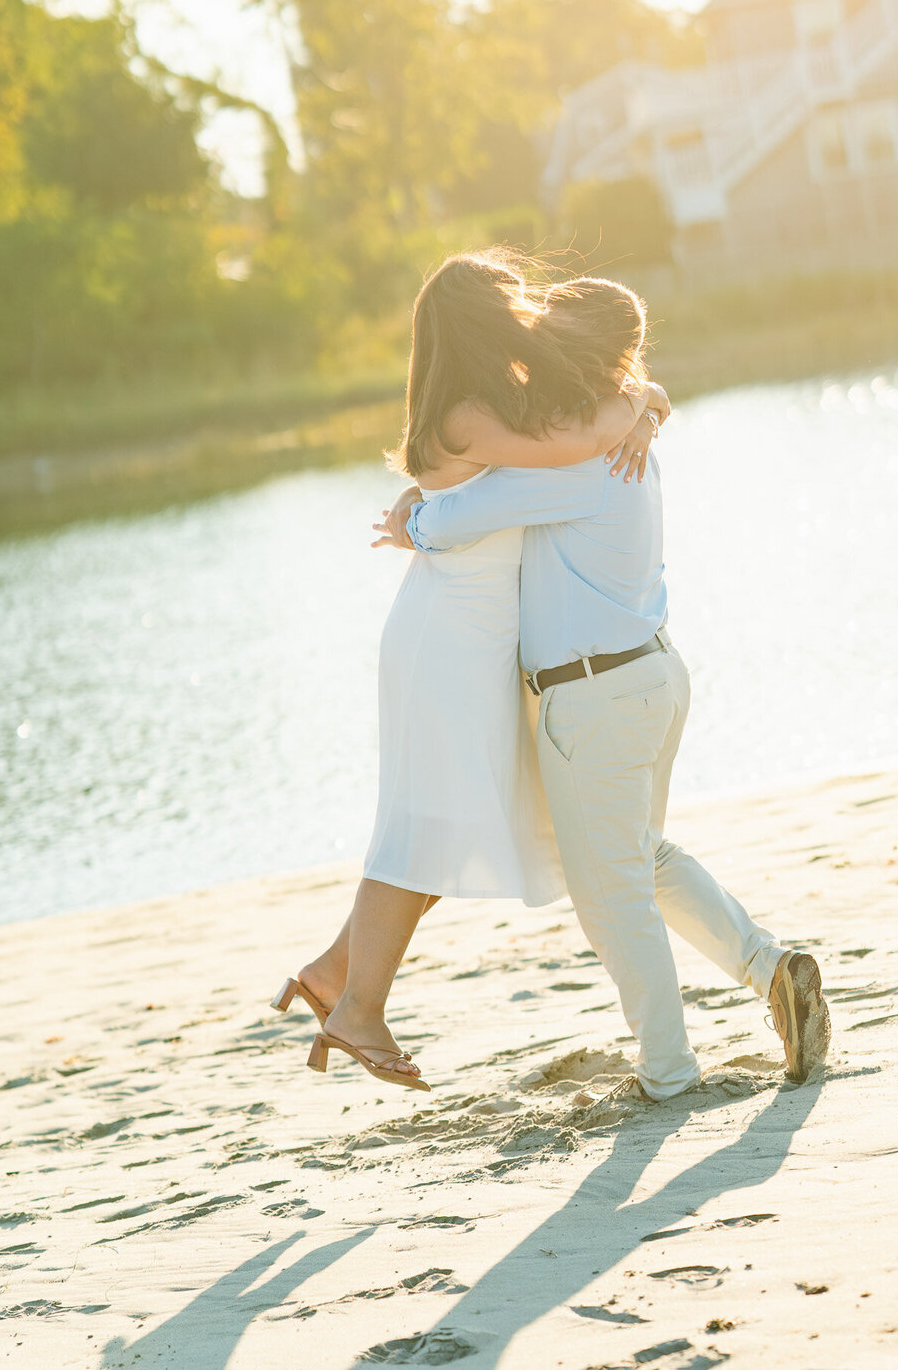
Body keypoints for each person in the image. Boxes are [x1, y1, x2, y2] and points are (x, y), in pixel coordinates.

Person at [380, 276, 831, 1094]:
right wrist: (649, 400)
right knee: (641, 858)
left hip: (594, 697)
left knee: (612, 897)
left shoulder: (587, 454)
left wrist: (408, 518)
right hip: (650, 676)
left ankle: (667, 1072)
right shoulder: (616, 432)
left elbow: (453, 519)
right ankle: (772, 970)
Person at [272, 252, 666, 1091]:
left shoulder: (480, 402)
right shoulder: (471, 411)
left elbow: (585, 430)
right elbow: (582, 444)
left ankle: (337, 974)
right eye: (514, 301)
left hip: (466, 633)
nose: (529, 309)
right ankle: (359, 1009)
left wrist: (644, 405)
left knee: (449, 821)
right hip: (450, 635)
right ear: (483, 320)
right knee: (420, 825)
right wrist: (637, 404)